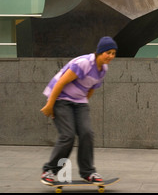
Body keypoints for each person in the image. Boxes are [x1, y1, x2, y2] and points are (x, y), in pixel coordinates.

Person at [40, 36, 118, 185]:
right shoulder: (84, 63)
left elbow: (91, 89)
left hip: (79, 103)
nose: (111, 56)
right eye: (108, 52)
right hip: (60, 99)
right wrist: (50, 104)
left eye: (113, 53)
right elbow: (61, 82)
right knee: (67, 135)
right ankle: (49, 170)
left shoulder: (103, 70)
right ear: (100, 52)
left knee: (87, 133)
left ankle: (88, 172)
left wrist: (82, 108)